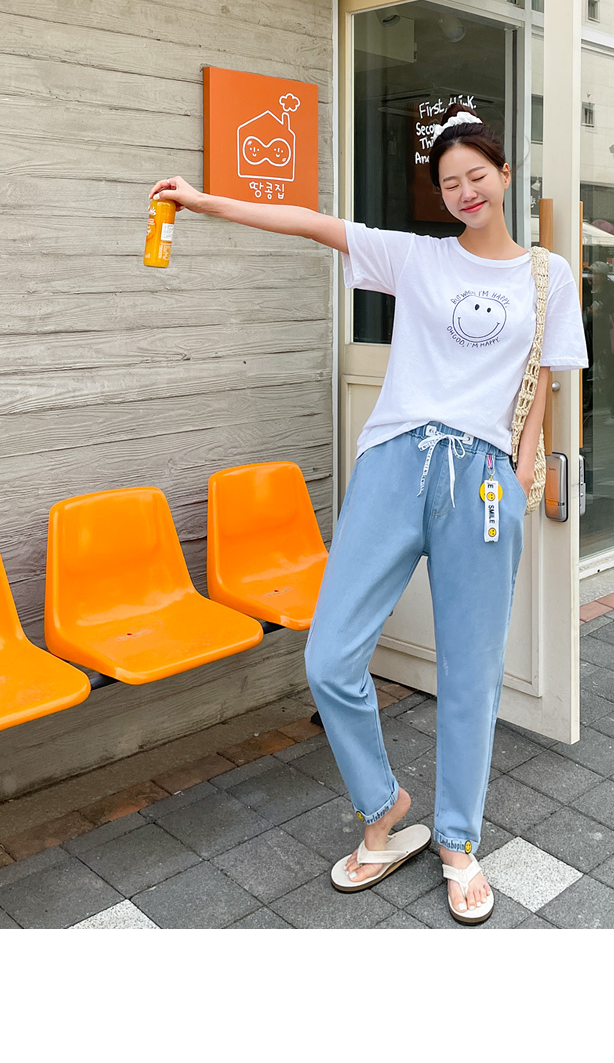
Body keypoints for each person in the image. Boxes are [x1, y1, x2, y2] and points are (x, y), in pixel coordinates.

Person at [150, 104, 587, 924]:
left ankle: (457, 840)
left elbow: (552, 380)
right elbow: (309, 222)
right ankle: (385, 805)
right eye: (449, 182)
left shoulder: (547, 274)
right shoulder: (417, 258)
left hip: (484, 481)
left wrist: (523, 462)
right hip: (394, 462)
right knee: (330, 656)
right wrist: (204, 201)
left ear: (503, 174)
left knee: (471, 671)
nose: (465, 191)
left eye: (477, 175)